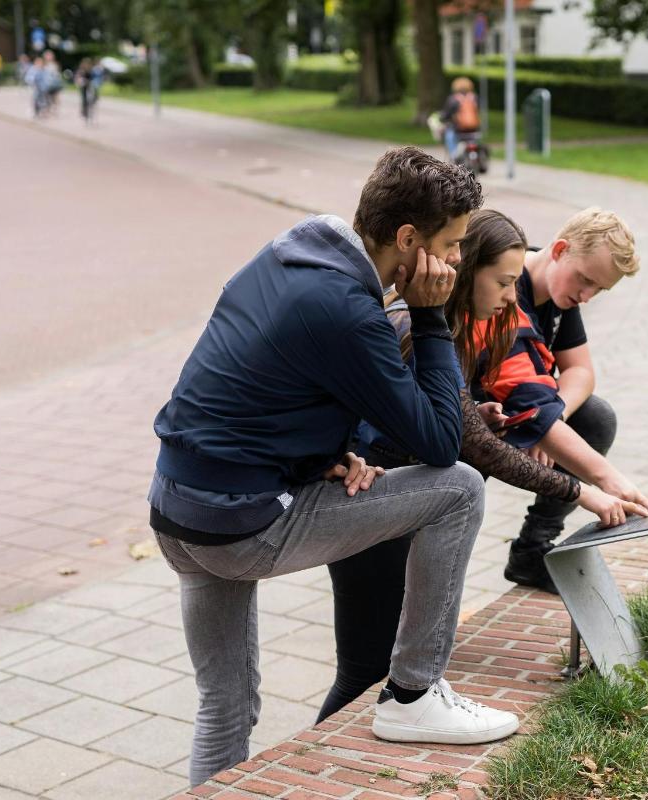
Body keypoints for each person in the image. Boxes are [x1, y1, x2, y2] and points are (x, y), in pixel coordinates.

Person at [148, 147, 518, 786]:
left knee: (227, 702)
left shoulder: (295, 249)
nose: (458, 261)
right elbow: (438, 443)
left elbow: (261, 384)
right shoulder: (349, 309)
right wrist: (431, 317)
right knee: (457, 489)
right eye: (453, 245)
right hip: (243, 528)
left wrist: (319, 455)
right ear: (408, 240)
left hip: (176, 511)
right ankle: (413, 696)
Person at [317, 209, 648, 721]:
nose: (515, 299)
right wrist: (584, 489)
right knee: (364, 670)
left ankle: (405, 708)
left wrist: (485, 416)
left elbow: (462, 428)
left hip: (410, 494)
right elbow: (474, 446)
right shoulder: (416, 327)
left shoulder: (457, 326)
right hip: (374, 497)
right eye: (504, 282)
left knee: (383, 663)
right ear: (466, 268)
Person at [483, 207, 646, 593]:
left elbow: (582, 373)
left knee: (595, 418)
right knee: (464, 478)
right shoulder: (506, 288)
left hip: (520, 406)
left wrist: (553, 418)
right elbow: (523, 397)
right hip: (475, 416)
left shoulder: (560, 293)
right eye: (585, 280)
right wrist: (606, 481)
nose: (587, 296)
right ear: (559, 250)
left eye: (599, 290)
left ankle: (532, 549)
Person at [439, 76, 480, 161]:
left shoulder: (453, 99)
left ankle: (454, 155)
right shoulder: (474, 97)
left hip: (459, 129)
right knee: (474, 140)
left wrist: (442, 118)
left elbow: (446, 115)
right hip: (474, 128)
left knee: (449, 135)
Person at [74, 58, 102, 123]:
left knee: (92, 95)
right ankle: (84, 111)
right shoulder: (81, 70)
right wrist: (81, 81)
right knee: (84, 99)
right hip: (83, 86)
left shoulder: (91, 70)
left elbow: (94, 77)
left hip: (89, 85)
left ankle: (94, 100)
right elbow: (78, 77)